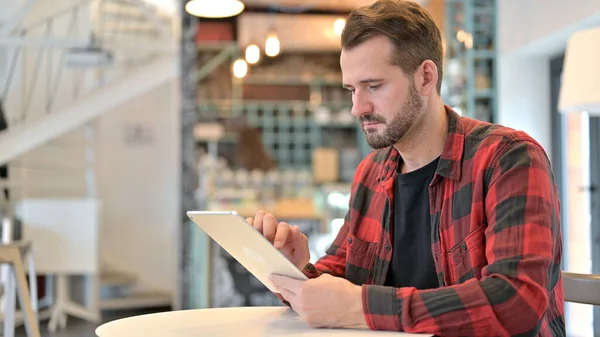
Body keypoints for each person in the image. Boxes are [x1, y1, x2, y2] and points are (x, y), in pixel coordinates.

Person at [247, 0, 564, 335]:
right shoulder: (372, 172)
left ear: (426, 77)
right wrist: (296, 270)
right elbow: (345, 277)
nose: (358, 108)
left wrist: (363, 307)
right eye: (352, 90)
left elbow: (517, 301)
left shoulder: (508, 158)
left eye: (373, 86)